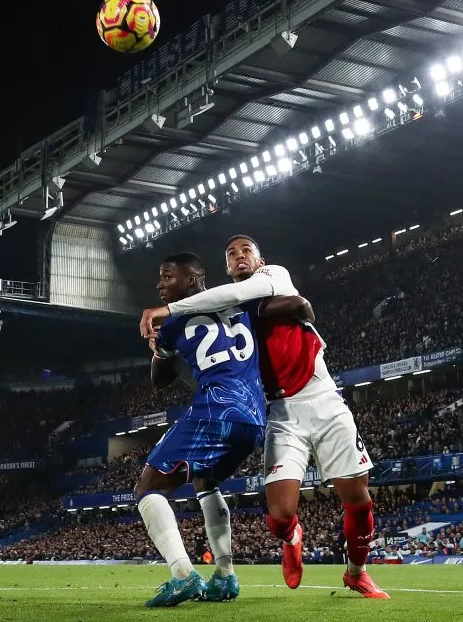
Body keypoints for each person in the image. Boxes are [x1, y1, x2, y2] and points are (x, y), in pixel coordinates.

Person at [140, 236, 388, 599]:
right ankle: (264, 552)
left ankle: (358, 571)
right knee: (277, 515)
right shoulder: (242, 307)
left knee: (357, 497)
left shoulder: (272, 276)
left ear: (260, 259)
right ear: (225, 269)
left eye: (246, 251)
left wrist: (169, 316)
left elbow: (295, 302)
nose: (240, 256)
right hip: (274, 413)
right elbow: (285, 305)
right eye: (231, 254)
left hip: (322, 401)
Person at [136, 251, 310, 607]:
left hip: (215, 410)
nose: (159, 284)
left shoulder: (171, 321)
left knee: (148, 486)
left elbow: (159, 381)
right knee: (205, 482)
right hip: (254, 419)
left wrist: (158, 349)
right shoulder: (245, 303)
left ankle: (183, 575)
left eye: (167, 276)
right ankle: (225, 575)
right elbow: (293, 305)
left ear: (192, 280)